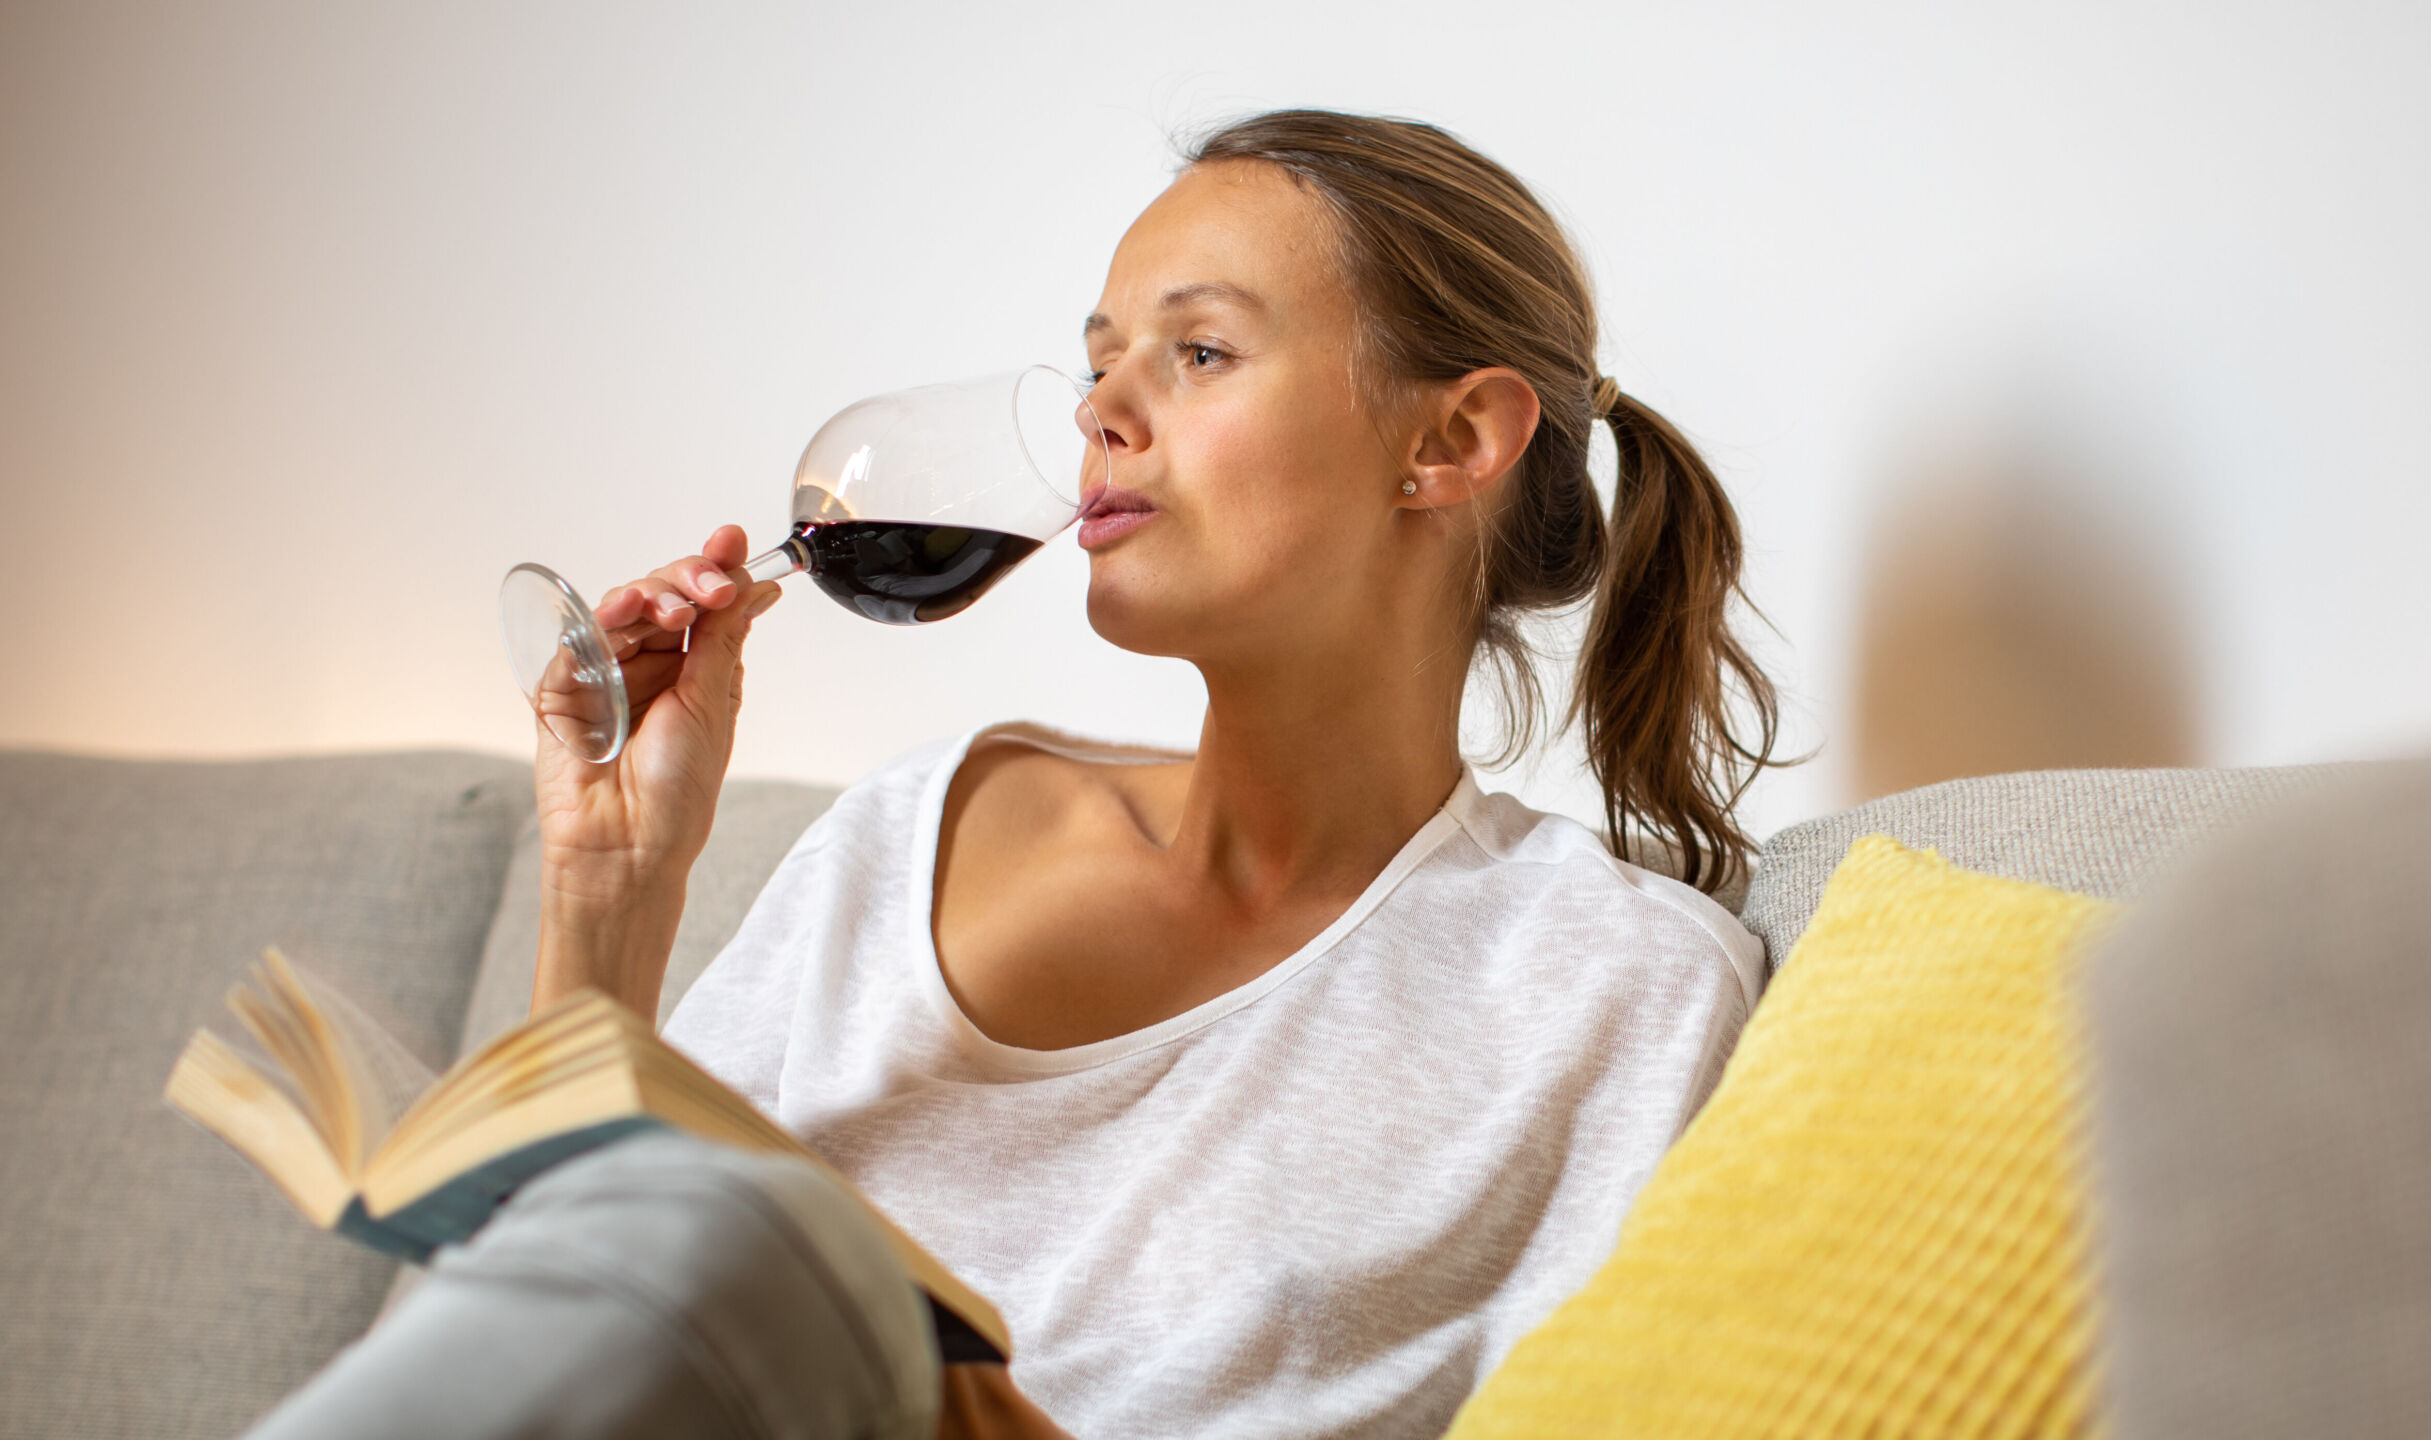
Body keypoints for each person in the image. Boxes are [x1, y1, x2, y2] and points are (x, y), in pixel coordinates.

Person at [519, 109, 1778, 1438]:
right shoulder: (920, 831)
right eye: (1101, 361)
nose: (1099, 412)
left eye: (1200, 351)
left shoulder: (1608, 990)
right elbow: (545, 1331)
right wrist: (610, 883)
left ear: (1453, 441)